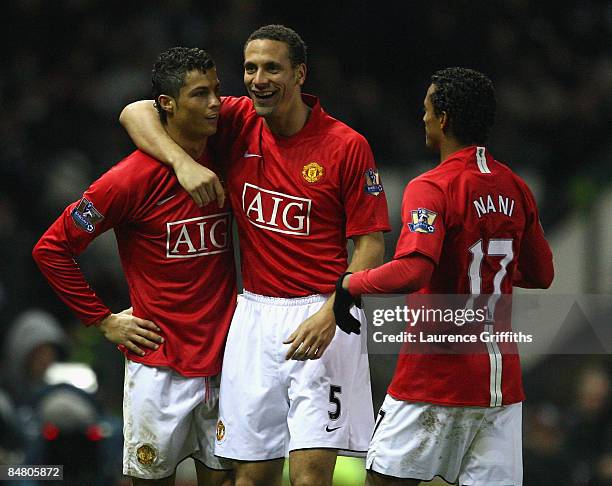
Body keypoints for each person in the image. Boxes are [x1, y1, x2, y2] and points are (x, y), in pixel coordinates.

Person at [119, 25, 390, 486]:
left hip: (324, 313)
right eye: (250, 67)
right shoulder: (237, 120)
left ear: (300, 73)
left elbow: (370, 245)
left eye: (272, 68)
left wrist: (335, 311)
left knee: (309, 478)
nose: (258, 78)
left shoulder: (346, 145)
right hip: (254, 315)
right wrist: (182, 163)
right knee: (248, 479)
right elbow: (135, 112)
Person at [334, 67, 554, 485]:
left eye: (426, 110)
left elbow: (413, 271)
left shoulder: (432, 186)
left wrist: (349, 283)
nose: (423, 118)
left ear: (445, 119)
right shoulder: (517, 187)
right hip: (500, 387)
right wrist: (493, 272)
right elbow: (542, 274)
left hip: (436, 377)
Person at [33, 47, 236, 486]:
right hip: (159, 364)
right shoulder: (127, 180)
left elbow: (136, 111)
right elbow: (51, 249)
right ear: (168, 104)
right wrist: (103, 320)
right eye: (200, 94)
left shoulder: (228, 151)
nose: (216, 103)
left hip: (228, 362)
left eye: (217, 91)